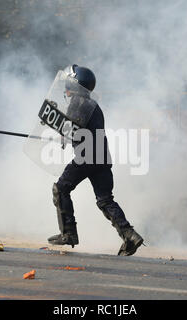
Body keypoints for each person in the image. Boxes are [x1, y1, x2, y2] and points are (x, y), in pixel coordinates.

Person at [47, 64, 144, 256]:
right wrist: (66, 135)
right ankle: (130, 236)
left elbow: (71, 129)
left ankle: (68, 234)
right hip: (102, 158)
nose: (66, 90)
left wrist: (61, 135)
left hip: (86, 157)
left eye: (68, 86)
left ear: (75, 87)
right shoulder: (93, 105)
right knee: (105, 200)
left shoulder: (78, 102)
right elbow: (80, 130)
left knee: (61, 188)